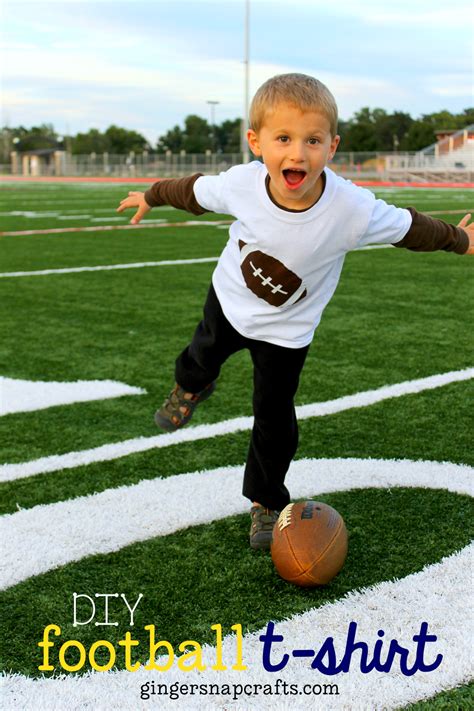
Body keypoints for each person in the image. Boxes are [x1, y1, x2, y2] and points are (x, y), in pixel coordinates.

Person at [117, 73, 473, 550]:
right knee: (200, 358)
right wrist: (151, 195)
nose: (297, 153)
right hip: (229, 301)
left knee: (273, 415)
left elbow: (410, 227)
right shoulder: (241, 184)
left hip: (288, 331)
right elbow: (192, 191)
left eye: (312, 140)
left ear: (332, 147)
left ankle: (266, 502)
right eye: (282, 138)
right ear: (256, 142)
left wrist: (461, 239)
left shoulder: (351, 208)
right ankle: (190, 388)